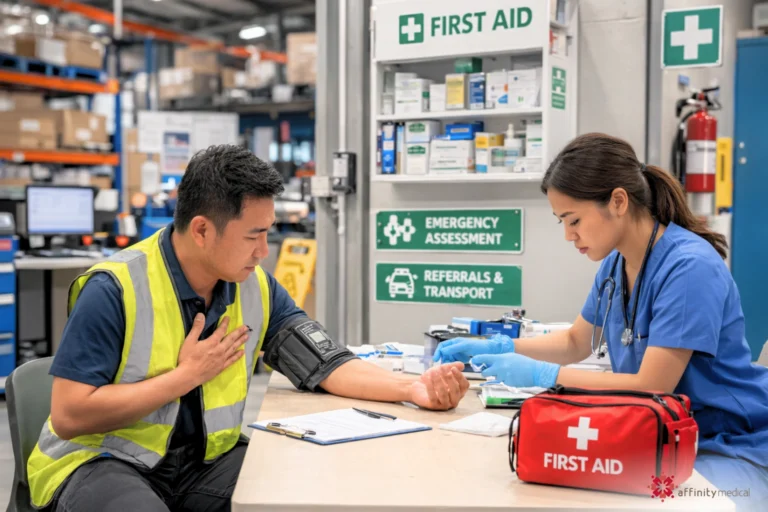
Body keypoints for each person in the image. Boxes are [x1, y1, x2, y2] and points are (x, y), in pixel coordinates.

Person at [28, 145, 469, 512]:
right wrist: (183, 378)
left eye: (268, 233)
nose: (263, 251)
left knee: (316, 493)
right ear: (201, 230)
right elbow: (70, 417)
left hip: (199, 464)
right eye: (253, 235)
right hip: (100, 462)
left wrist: (413, 389)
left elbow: (325, 363)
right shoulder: (114, 289)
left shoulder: (252, 285)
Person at [434, 133, 768, 511]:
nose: (567, 235)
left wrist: (543, 375)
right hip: (657, 437)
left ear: (619, 201)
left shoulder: (689, 266)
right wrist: (502, 346)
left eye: (574, 220)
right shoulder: (616, 263)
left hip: (730, 446)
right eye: (561, 221)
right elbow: (577, 341)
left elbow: (652, 385)